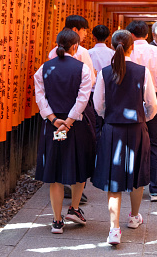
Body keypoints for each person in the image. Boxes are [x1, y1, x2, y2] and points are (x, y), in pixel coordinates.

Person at [92, 30, 157, 245]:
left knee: (114, 179)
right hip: (137, 128)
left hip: (112, 128)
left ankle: (114, 229)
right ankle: (133, 217)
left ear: (113, 46)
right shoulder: (142, 71)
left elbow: (98, 104)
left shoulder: (104, 72)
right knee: (137, 172)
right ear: (132, 47)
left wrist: (109, 116)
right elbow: (152, 104)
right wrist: (143, 118)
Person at [34, 29, 95, 234]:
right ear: (76, 46)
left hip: (53, 124)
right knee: (79, 166)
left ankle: (57, 221)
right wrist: (68, 121)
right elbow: (83, 98)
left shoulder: (44, 68)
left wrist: (53, 119)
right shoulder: (83, 68)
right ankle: (75, 209)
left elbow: (40, 97)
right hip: (74, 125)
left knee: (55, 170)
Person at [49, 15, 96, 202]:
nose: (85, 34)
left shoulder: (53, 52)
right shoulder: (82, 52)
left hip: (56, 110)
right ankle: (75, 188)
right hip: (77, 110)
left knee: (61, 143)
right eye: (84, 30)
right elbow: (90, 81)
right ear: (76, 30)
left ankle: (61, 181)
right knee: (77, 148)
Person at [126, 20, 157, 202]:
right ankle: (155, 190)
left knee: (133, 142)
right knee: (156, 144)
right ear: (147, 35)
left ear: (130, 35)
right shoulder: (156, 51)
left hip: (130, 98)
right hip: (155, 97)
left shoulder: (127, 50)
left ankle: (134, 185)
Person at [88, 25, 115, 140]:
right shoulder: (112, 53)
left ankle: (95, 151)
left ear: (93, 37)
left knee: (94, 124)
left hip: (92, 92)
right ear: (108, 37)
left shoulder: (89, 53)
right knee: (107, 123)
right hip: (109, 92)